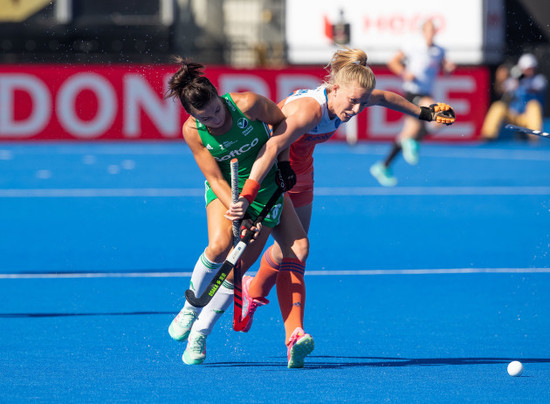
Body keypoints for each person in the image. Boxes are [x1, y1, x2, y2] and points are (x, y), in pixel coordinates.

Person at [225, 47, 455, 361]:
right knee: (296, 249)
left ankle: (254, 292)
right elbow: (272, 146)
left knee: (290, 250)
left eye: (363, 102)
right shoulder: (310, 111)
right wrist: (248, 195)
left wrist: (424, 113)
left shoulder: (355, 94)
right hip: (270, 175)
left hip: (301, 174)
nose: (357, 108)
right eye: (353, 101)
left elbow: (386, 98)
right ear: (333, 89)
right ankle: (290, 332)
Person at [164, 58, 310, 367]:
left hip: (265, 189)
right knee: (219, 247)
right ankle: (191, 305)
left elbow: (281, 125)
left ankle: (200, 333)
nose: (215, 120)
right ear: (192, 116)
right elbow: (214, 177)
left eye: (217, 110)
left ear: (220, 96)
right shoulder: (193, 132)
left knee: (238, 268)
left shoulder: (248, 103)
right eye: (206, 117)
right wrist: (235, 206)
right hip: (225, 192)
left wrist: (282, 163)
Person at [370, 19, 456, 186]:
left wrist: (449, 68)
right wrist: (404, 73)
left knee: (409, 133)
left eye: (433, 30)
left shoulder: (439, 51)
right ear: (423, 32)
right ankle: (413, 142)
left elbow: (446, 69)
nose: (431, 33)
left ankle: (383, 165)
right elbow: (393, 62)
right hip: (412, 93)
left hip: (426, 92)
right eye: (428, 30)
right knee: (438, 116)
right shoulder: (413, 45)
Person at [480, 53, 547, 142]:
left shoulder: (538, 80)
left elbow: (535, 88)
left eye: (531, 69)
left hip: (527, 118)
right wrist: (500, 79)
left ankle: (534, 136)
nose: (529, 71)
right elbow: (500, 90)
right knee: (498, 106)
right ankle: (488, 135)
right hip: (513, 116)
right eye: (527, 69)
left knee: (533, 105)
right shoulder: (513, 81)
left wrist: (519, 82)